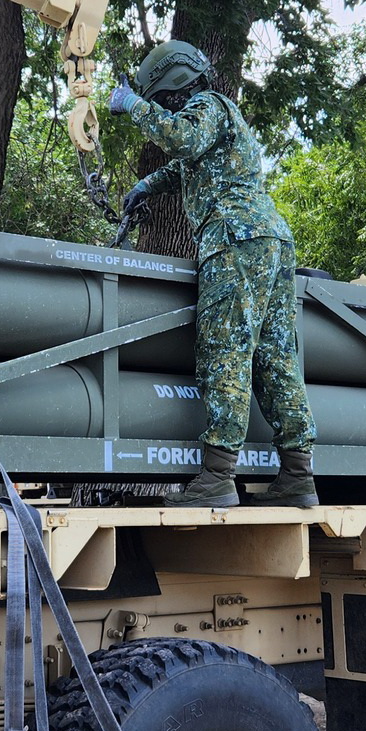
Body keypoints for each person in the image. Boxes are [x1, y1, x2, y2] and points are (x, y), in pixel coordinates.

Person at [107, 41, 316, 508]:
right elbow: (188, 162)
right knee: (274, 358)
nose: (163, 105)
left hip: (234, 239)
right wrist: (147, 186)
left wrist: (132, 104)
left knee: (225, 353)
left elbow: (182, 139)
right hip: (270, 240)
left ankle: (218, 477)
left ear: (174, 85)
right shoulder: (223, 117)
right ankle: (298, 476)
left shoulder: (206, 106)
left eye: (160, 97)